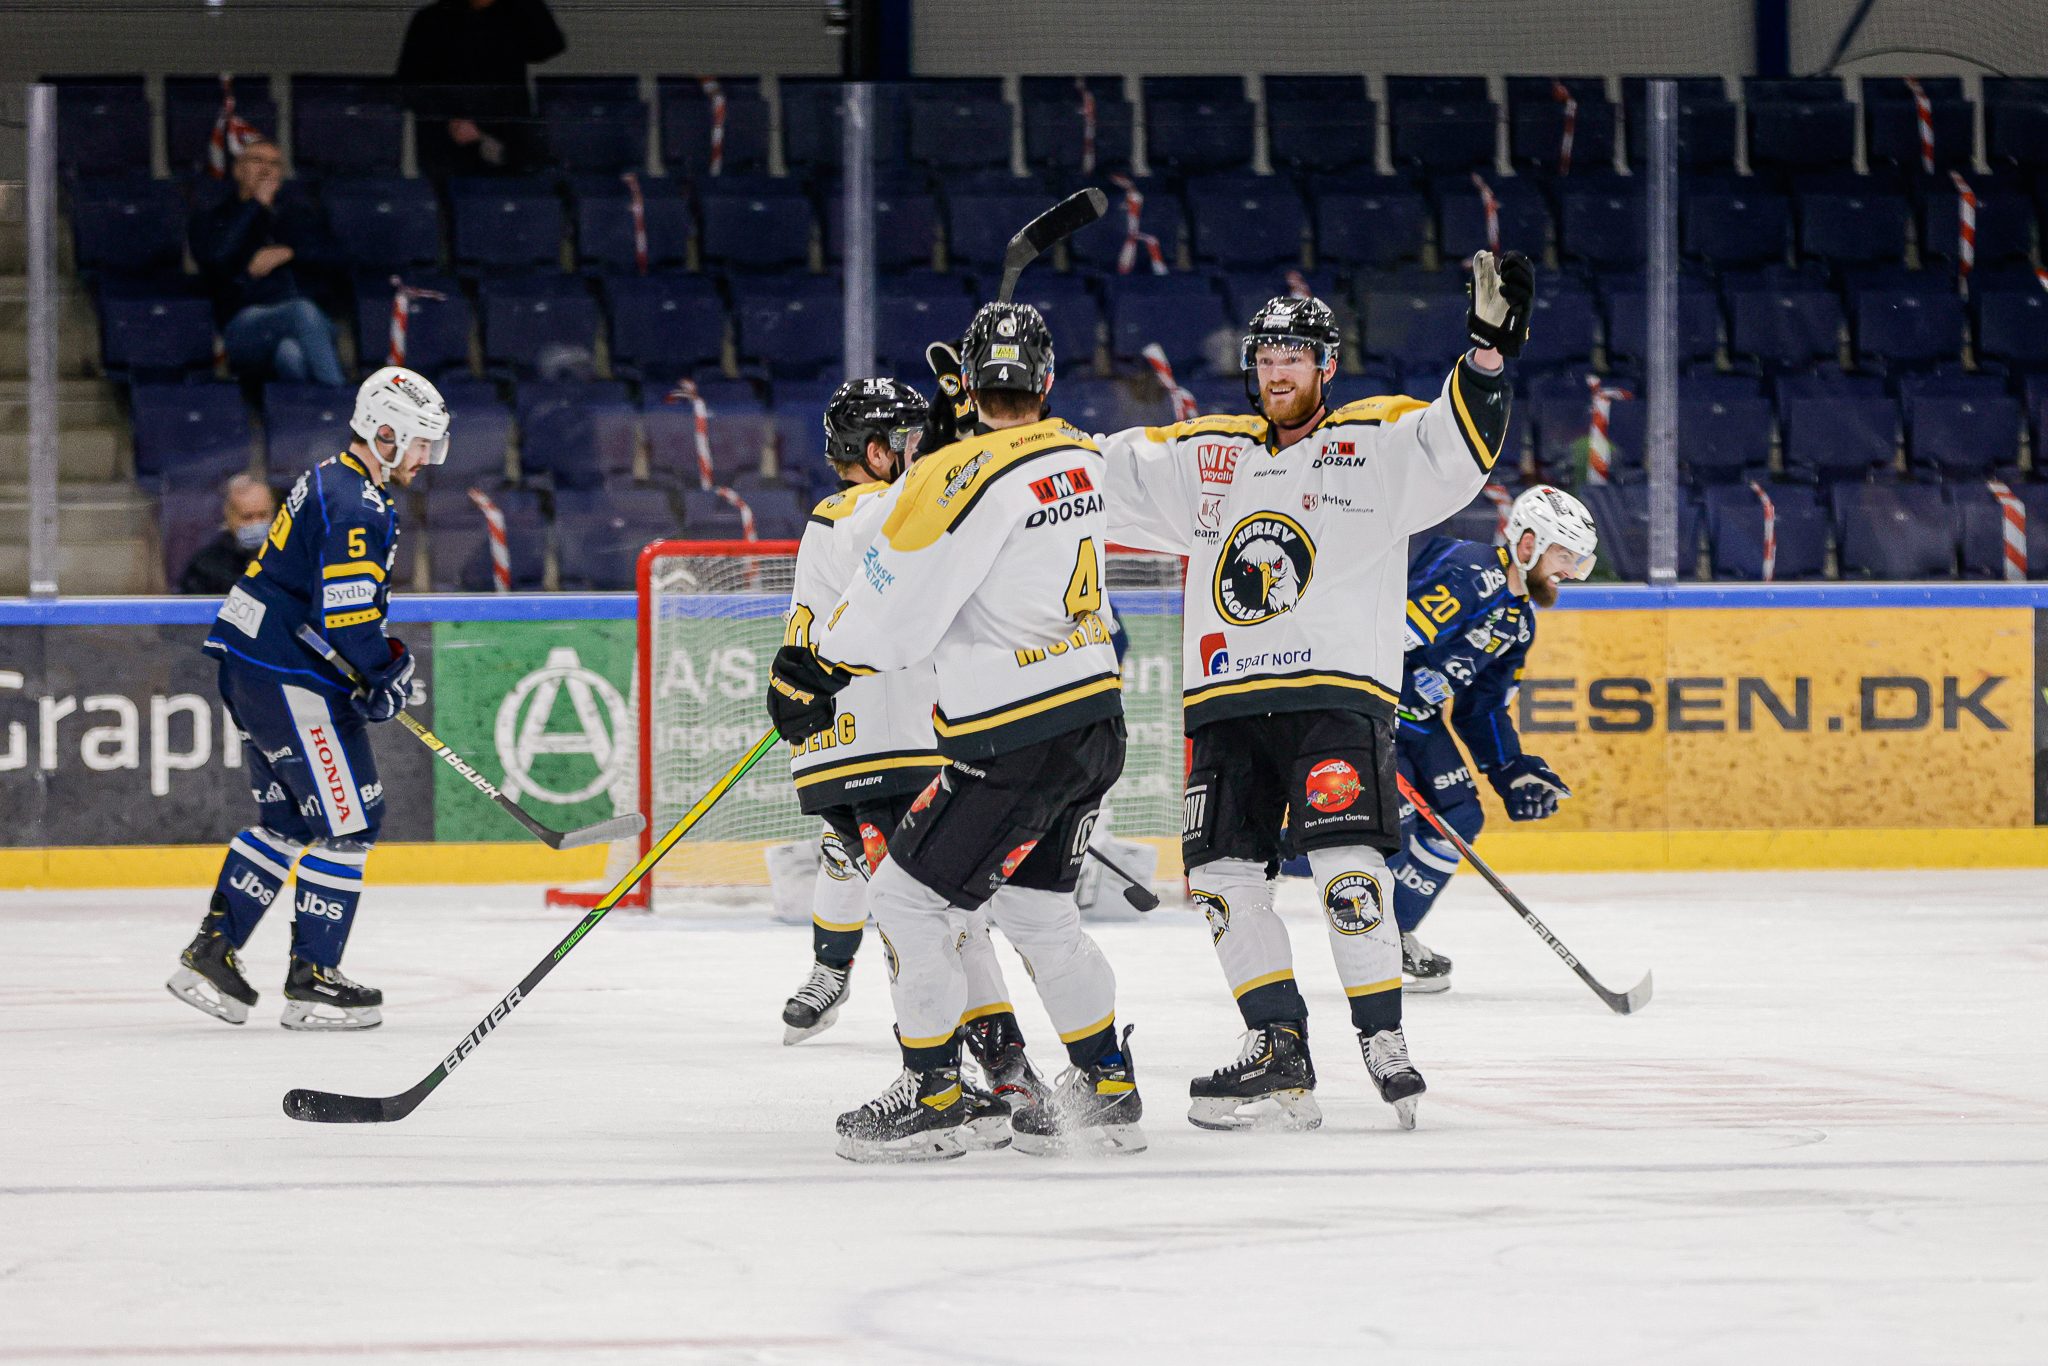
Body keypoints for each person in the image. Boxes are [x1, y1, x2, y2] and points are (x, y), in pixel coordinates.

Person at [1095, 250, 1534, 1133]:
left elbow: (1456, 448)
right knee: (1221, 880)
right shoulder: (1206, 453)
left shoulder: (1375, 442)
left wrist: (1486, 356)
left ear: (1326, 367)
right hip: (1224, 703)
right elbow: (1087, 471)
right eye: (1265, 358)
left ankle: (1383, 1037)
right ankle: (1278, 1049)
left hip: (1333, 695)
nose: (1277, 373)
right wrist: (989, 435)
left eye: (1293, 359)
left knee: (1347, 871)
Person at [767, 302, 1144, 1163]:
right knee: (1040, 913)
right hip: (1095, 718)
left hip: (1011, 732)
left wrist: (817, 669)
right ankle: (1107, 1088)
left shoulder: (955, 474)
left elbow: (896, 605)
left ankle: (934, 1095)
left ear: (969, 384)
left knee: (904, 901)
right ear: (1048, 381)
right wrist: (949, 444)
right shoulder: (1082, 453)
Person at [777, 378, 1050, 1126]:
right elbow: (917, 515)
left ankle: (991, 1077)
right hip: (870, 755)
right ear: (874, 452)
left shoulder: (874, 510)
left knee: (946, 916)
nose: (920, 455)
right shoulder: (846, 513)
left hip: (891, 750)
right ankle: (962, 1077)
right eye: (909, 443)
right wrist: (966, 443)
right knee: (927, 918)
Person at [166, 368, 450, 1031]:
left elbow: (318, 605)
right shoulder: (359, 505)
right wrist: (384, 671)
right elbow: (347, 619)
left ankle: (211, 956)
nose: (425, 458)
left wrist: (370, 672)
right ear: (385, 434)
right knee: (352, 822)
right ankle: (314, 982)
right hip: (288, 680)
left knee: (289, 822)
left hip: (253, 665)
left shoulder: (331, 476)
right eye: (419, 442)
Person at [1387, 485, 1598, 993]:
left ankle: (1393, 939)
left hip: (1418, 720)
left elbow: (1481, 709)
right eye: (1564, 556)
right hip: (1372, 712)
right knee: (1388, 824)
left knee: (1460, 817)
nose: (1572, 571)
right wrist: (1356, 713)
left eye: (1578, 560)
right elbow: (1386, 637)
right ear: (1528, 544)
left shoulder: (1518, 622)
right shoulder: (1469, 572)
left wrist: (1511, 770)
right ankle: (1272, 856)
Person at [189, 140, 348, 388]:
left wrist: (291, 253)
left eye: (274, 164)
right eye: (257, 161)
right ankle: (342, 400)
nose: (266, 169)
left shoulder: (299, 216)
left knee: (290, 354)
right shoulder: (214, 217)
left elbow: (338, 258)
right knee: (301, 311)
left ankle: (303, 410)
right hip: (245, 325)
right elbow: (214, 257)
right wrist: (255, 206)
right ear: (238, 170)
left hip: (311, 323)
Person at [398, 0, 566, 178]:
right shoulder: (431, 20)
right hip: (448, 144)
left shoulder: (514, 15)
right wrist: (450, 119)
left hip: (507, 139)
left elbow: (549, 45)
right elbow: (410, 84)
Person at [177, 475, 278, 596]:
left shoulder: (286, 556)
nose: (256, 523)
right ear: (229, 516)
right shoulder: (206, 566)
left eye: (263, 515)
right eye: (247, 517)